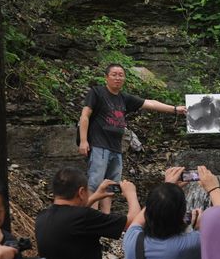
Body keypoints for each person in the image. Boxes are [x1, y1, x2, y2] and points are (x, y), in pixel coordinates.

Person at [78, 63, 187, 213]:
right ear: (106, 78)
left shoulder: (124, 98)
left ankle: (106, 217)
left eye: (121, 75)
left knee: (112, 186)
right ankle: (91, 215)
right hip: (99, 145)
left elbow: (150, 103)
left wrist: (174, 109)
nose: (118, 77)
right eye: (114, 74)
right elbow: (85, 116)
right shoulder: (97, 93)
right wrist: (84, 140)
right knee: (95, 183)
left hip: (116, 148)